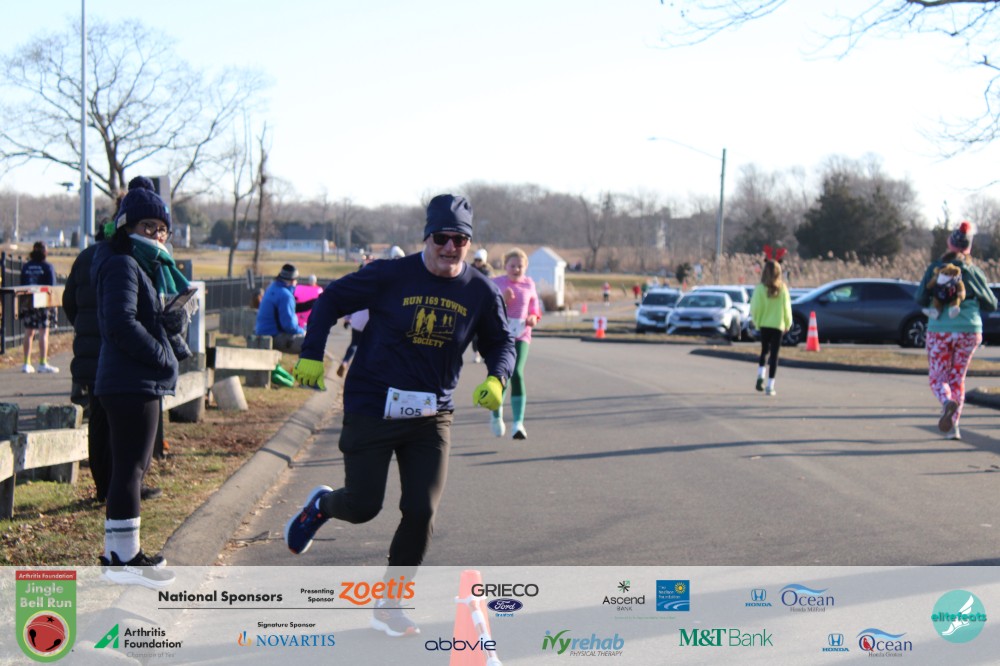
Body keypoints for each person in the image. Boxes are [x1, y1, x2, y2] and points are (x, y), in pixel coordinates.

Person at [285, 194, 515, 637]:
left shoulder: (480, 291)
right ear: (427, 236)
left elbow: (501, 342)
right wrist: (312, 352)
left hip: (432, 414)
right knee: (363, 506)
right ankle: (321, 506)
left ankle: (389, 607)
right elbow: (331, 300)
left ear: (469, 243)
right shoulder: (390, 275)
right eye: (442, 237)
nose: (450, 247)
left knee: (421, 510)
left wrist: (497, 378)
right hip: (373, 404)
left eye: (460, 240)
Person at [92, 176, 190, 588]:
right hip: (131, 381)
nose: (157, 235)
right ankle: (126, 559)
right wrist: (162, 354)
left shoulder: (137, 264)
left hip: (130, 380)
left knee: (130, 469)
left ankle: (119, 555)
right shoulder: (122, 263)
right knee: (130, 470)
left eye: (163, 229)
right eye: (149, 226)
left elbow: (138, 319)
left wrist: (169, 324)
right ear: (127, 226)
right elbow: (120, 324)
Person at [915, 221, 997, 440]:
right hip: (969, 330)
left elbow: (920, 298)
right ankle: (954, 427)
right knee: (958, 378)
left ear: (949, 243)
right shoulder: (974, 272)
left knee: (938, 377)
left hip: (940, 330)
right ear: (969, 247)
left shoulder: (935, 268)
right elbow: (991, 304)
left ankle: (946, 401)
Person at [490, 248, 541, 439]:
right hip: (501, 336)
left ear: (525, 267)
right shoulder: (497, 283)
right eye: (512, 265)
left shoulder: (529, 284)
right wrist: (503, 300)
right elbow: (488, 308)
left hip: (522, 335)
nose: (516, 269)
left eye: (520, 266)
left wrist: (533, 317)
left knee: (517, 372)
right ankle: (496, 414)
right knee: (503, 375)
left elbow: (534, 307)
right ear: (505, 266)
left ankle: (518, 423)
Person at [749, 258, 792, 397]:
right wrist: (788, 323)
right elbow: (787, 308)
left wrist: (757, 321)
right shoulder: (782, 289)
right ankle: (770, 385)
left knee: (764, 351)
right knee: (774, 355)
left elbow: (755, 307)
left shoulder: (760, 289)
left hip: (764, 324)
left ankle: (760, 375)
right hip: (778, 325)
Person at [19, 241, 59, 373]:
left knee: (28, 332)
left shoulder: (26, 267)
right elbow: (52, 287)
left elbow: (22, 284)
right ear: (44, 252)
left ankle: (26, 363)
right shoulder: (47, 267)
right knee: (43, 332)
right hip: (43, 302)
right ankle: (42, 362)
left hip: (28, 301)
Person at [255, 264, 306, 353]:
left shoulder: (271, 288)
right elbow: (289, 326)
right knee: (312, 344)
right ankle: (304, 363)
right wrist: (303, 331)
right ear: (292, 281)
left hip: (261, 334)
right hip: (275, 337)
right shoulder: (286, 296)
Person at [470, 248, 492, 363]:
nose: (477, 262)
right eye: (476, 260)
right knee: (474, 334)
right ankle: (476, 353)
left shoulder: (488, 272)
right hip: (472, 304)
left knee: (484, 331)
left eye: (480, 260)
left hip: (483, 304)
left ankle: (485, 352)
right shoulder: (469, 269)